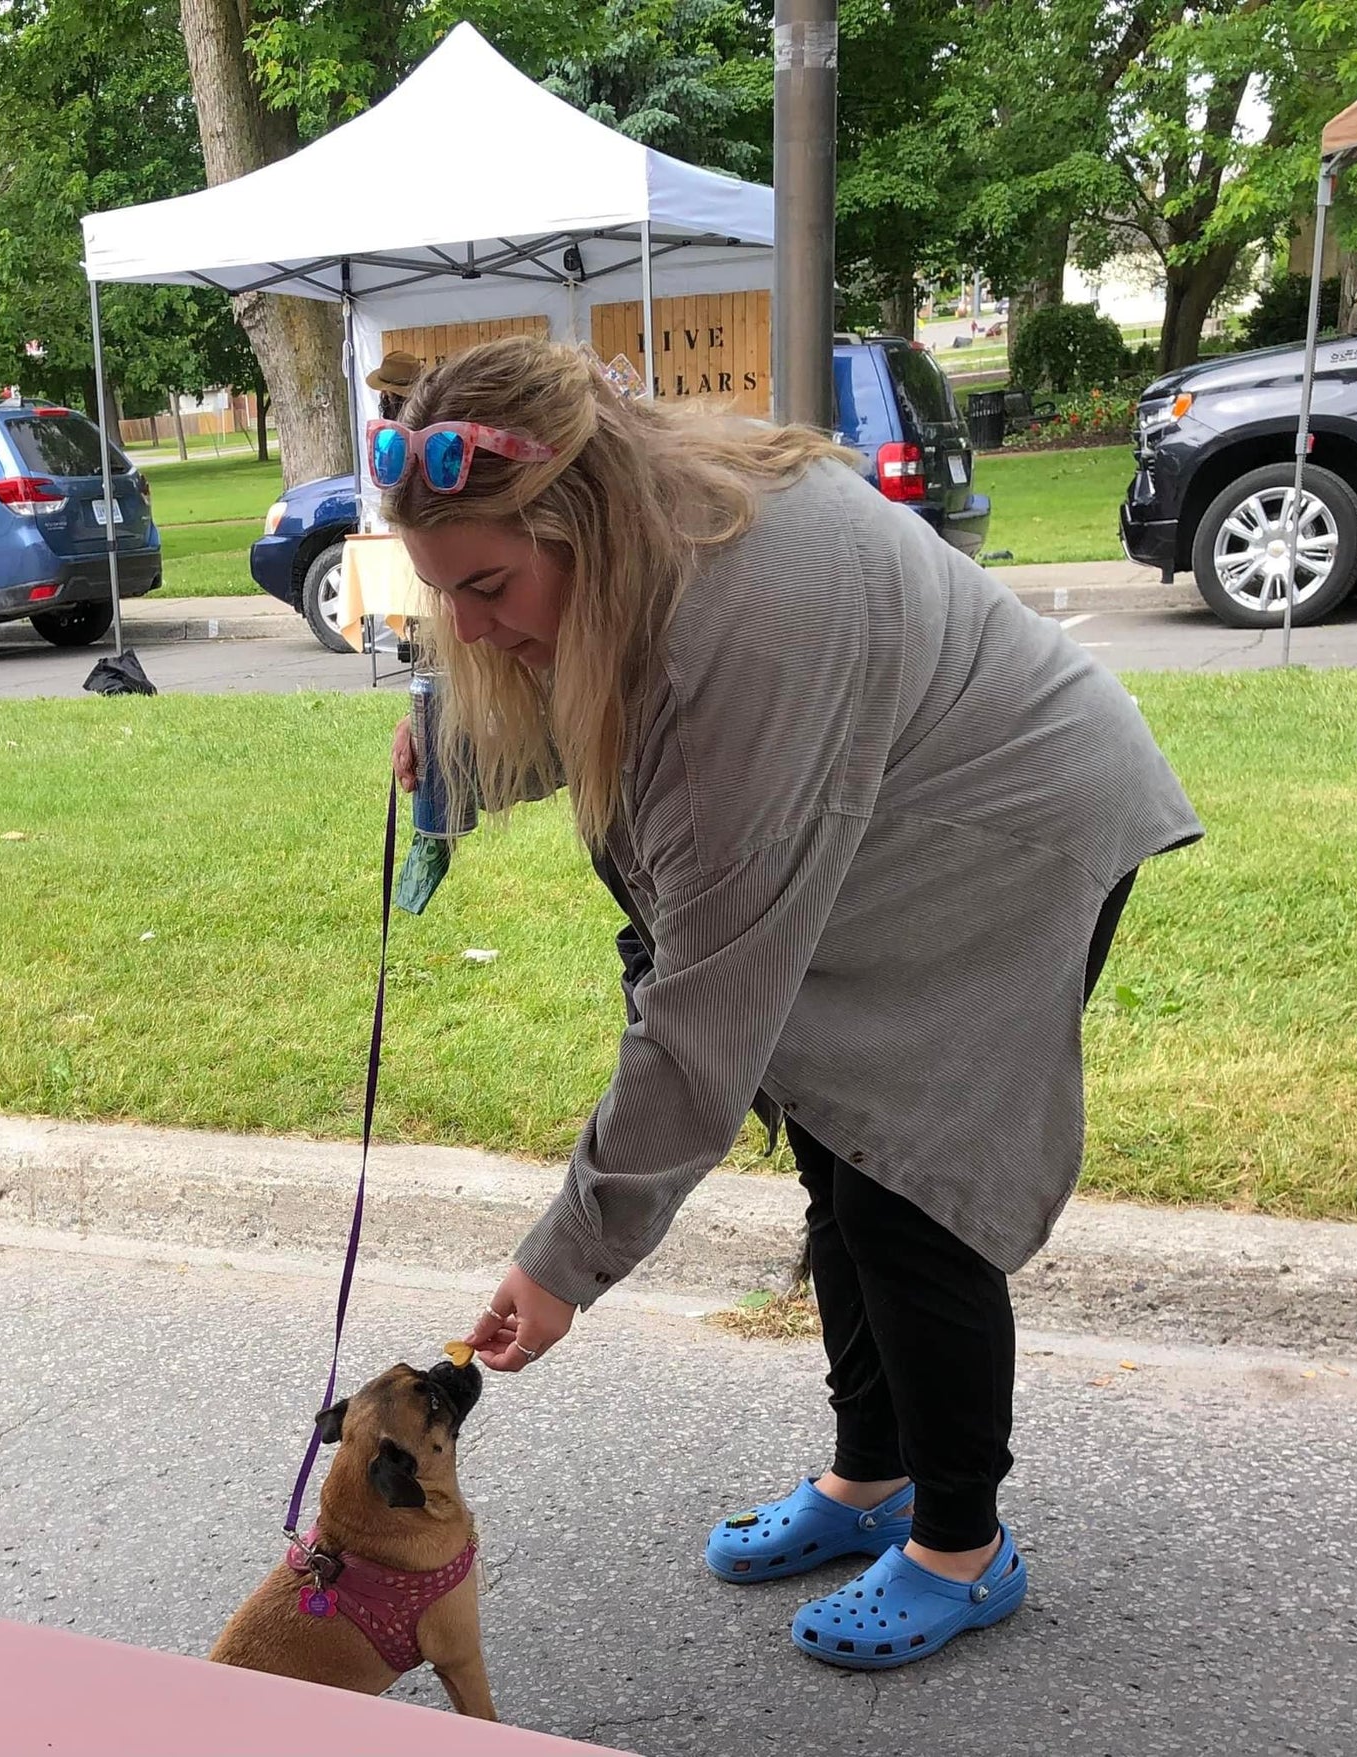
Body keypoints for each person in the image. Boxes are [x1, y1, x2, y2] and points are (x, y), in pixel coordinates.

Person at [381, 336, 1202, 1672]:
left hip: (1007, 844)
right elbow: (590, 695)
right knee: (839, 1160)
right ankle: (869, 1475)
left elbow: (703, 1018)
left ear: (576, 520)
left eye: (486, 586)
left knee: (910, 1188)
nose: (467, 627)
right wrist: (463, 747)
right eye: (443, 595)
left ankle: (959, 1540)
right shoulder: (637, 537)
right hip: (871, 827)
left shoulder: (745, 621)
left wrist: (564, 1258)